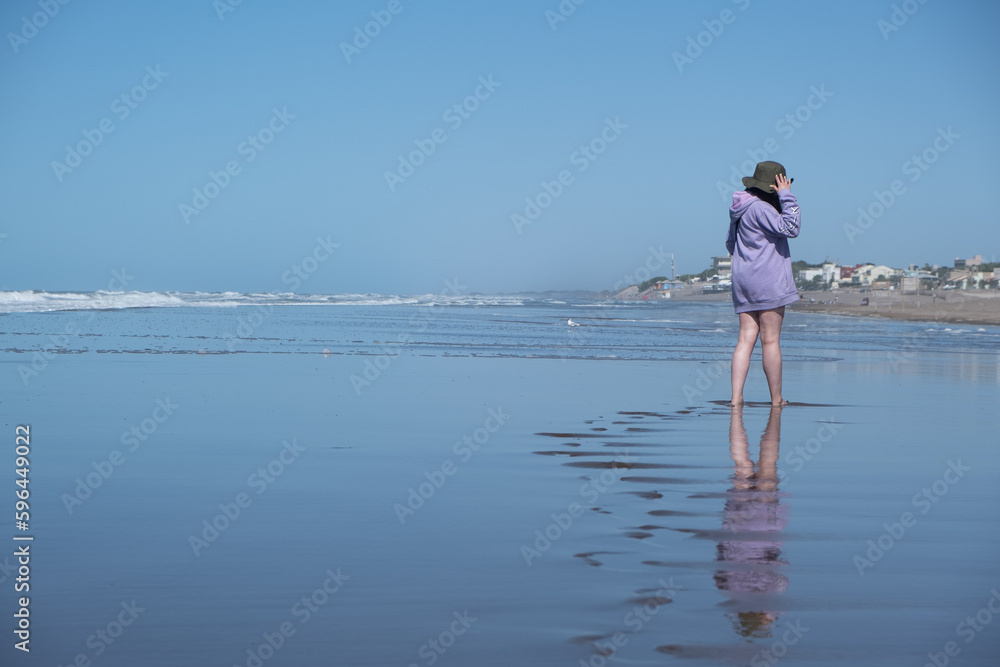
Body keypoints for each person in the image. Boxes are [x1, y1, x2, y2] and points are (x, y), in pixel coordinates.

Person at [725, 161, 801, 406]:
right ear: (774, 187)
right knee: (770, 340)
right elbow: (791, 227)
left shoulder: (740, 207)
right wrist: (787, 196)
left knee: (745, 339)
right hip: (768, 281)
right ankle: (776, 399)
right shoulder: (762, 209)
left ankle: (736, 398)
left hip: (743, 280)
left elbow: (730, 244)